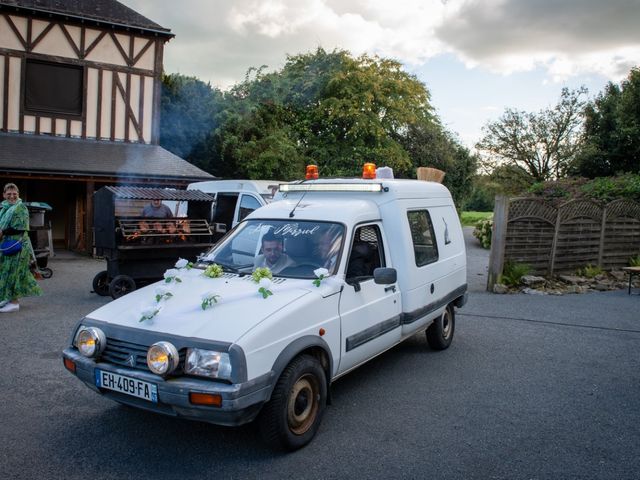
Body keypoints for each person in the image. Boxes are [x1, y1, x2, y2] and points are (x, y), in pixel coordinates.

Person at [0, 183, 42, 312]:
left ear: (18, 195)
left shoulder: (20, 207)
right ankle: (7, 297)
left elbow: (20, 228)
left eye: (14, 194)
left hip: (18, 246)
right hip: (8, 245)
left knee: (15, 273)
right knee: (6, 272)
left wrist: (3, 232)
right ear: (4, 195)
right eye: (9, 194)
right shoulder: (4, 208)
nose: (12, 196)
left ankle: (14, 303)